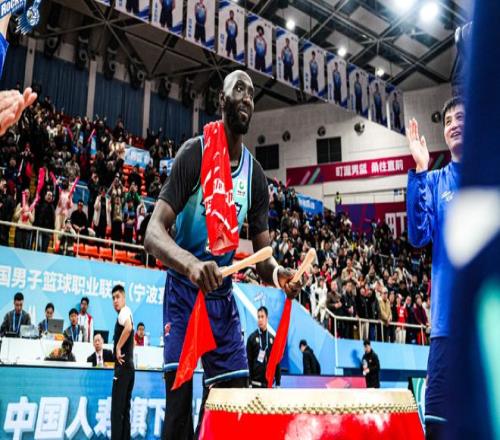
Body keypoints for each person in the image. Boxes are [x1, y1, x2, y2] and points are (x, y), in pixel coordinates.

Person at [144, 70, 301, 439]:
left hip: (222, 298)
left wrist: (279, 275)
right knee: (178, 409)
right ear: (222, 100)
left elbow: (263, 256)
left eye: (251, 93)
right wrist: (192, 265)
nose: (247, 97)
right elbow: (153, 234)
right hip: (184, 292)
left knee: (231, 408)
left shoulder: (255, 175)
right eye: (239, 89)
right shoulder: (194, 153)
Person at [406, 96, 464, 438]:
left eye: (461, 117)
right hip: (445, 328)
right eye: (448, 121)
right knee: (438, 426)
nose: (454, 124)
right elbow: (417, 235)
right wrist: (420, 170)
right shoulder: (436, 181)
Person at [111, 284, 135, 440]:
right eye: (113, 298)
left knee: (117, 412)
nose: (115, 300)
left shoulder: (123, 313)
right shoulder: (128, 312)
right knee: (124, 410)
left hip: (122, 369)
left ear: (124, 298)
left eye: (118, 297)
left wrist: (118, 347)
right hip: (129, 368)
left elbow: (129, 328)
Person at [246, 306, 280, 388]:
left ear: (267, 318)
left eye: (262, 317)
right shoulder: (251, 338)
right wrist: (249, 382)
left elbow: (277, 362)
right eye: (258, 317)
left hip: (269, 384)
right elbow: (248, 361)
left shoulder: (273, 339)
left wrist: (278, 383)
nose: (260, 319)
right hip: (255, 384)